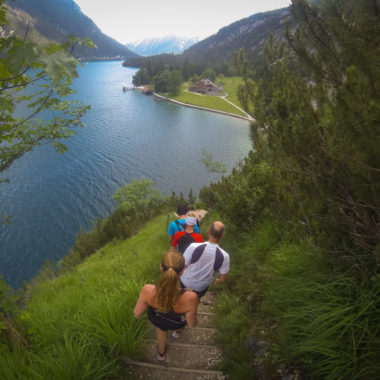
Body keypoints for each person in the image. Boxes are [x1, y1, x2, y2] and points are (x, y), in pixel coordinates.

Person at [134, 249, 198, 361]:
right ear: (183, 271)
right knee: (182, 322)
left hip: (158, 319)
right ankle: (177, 333)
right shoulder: (191, 297)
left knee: (162, 329)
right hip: (176, 323)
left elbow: (137, 313)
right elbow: (192, 324)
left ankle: (161, 354)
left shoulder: (147, 290)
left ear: (160, 267)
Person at [180, 221, 230, 299]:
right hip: (201, 287)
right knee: (196, 299)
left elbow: (182, 265)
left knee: (180, 297)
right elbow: (223, 278)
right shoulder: (225, 256)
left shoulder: (193, 246)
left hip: (185, 281)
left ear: (209, 231)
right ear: (222, 235)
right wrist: (218, 281)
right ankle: (194, 305)